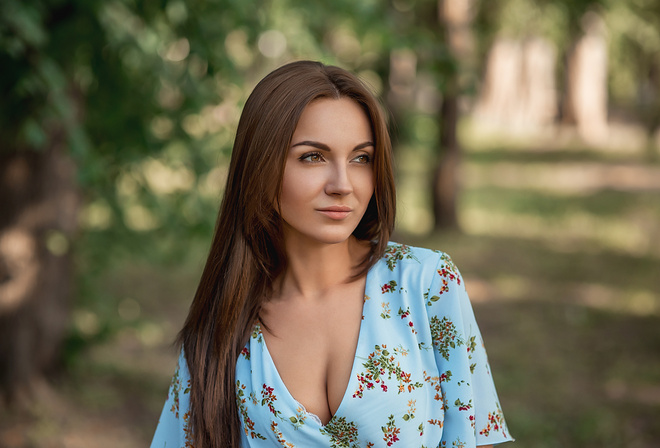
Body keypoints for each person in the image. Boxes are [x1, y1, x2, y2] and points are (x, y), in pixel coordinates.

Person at [150, 60, 513, 448]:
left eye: (361, 158)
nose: (342, 184)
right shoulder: (221, 325)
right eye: (312, 156)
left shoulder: (426, 283)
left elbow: (475, 436)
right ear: (260, 168)